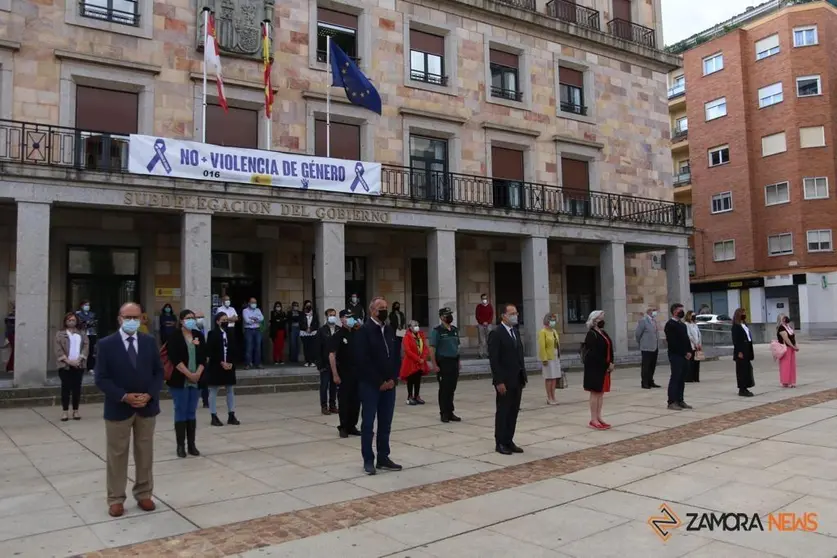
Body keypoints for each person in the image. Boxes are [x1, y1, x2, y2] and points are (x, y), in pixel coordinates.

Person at [93, 302, 163, 518]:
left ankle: (144, 493)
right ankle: (115, 498)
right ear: (119, 318)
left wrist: (149, 395)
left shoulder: (149, 342)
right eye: (128, 317)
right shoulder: (106, 344)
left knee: (145, 454)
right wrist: (124, 396)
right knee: (117, 455)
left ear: (142, 319)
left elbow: (158, 373)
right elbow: (101, 378)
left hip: (146, 407)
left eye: (136, 317)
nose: (132, 321)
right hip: (118, 407)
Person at [354, 296, 401, 475]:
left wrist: (392, 379)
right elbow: (362, 360)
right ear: (372, 310)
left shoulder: (389, 330)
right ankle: (368, 459)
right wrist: (379, 381)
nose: (384, 311)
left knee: (385, 423)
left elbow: (395, 356)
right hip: (371, 385)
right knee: (368, 423)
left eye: (385, 307)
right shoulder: (364, 331)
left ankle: (383, 456)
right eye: (381, 308)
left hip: (389, 385)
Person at [165, 309, 206, 458]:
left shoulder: (198, 335)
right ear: (181, 321)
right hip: (180, 379)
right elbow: (174, 358)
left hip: (196, 380)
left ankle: (192, 445)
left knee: (191, 411)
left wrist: (197, 374)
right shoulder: (175, 336)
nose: (191, 321)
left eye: (193, 318)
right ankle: (180, 446)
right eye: (188, 318)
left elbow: (203, 357)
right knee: (180, 410)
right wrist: (189, 374)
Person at [488, 303, 527, 455]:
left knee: (513, 411)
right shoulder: (496, 333)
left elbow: (519, 356)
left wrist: (523, 376)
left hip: (517, 379)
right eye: (512, 313)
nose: (515, 316)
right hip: (504, 381)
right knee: (503, 411)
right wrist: (498, 381)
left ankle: (509, 440)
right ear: (503, 315)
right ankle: (500, 442)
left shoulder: (515, 332)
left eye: (516, 313)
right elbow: (494, 360)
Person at [330, 310, 361, 438]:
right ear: (342, 319)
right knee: (344, 401)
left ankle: (352, 425)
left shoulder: (356, 333)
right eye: (348, 317)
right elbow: (332, 355)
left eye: (352, 317)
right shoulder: (338, 335)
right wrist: (335, 374)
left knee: (356, 401)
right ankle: (343, 426)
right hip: (344, 373)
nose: (350, 319)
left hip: (357, 373)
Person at [205, 311, 240, 426]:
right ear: (217, 321)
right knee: (214, 390)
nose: (225, 322)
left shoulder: (230, 333)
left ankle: (231, 414)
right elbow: (210, 351)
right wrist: (221, 362)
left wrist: (231, 363)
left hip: (229, 365)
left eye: (226, 320)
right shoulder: (212, 333)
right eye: (222, 320)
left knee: (230, 390)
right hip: (217, 365)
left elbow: (234, 349)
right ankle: (213, 415)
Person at [55, 312, 90, 421]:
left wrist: (79, 359)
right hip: (65, 365)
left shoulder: (81, 333)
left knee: (77, 389)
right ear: (65, 321)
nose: (71, 322)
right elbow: (58, 349)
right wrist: (68, 361)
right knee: (65, 388)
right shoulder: (60, 334)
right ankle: (65, 412)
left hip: (79, 365)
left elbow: (86, 346)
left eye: (73, 320)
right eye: (69, 320)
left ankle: (76, 411)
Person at [429, 307, 462, 423]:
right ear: (442, 317)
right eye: (447, 315)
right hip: (443, 362)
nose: (450, 317)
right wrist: (434, 364)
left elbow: (457, 347)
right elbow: (432, 348)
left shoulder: (454, 330)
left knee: (452, 388)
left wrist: (459, 362)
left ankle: (450, 411)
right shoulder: (437, 331)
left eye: (450, 314)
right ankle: (444, 413)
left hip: (453, 361)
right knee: (444, 389)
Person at [582, 310, 613, 429]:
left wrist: (611, 362)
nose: (603, 321)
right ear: (594, 321)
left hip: (604, 368)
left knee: (601, 393)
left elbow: (610, 347)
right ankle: (593, 419)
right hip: (595, 369)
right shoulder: (591, 334)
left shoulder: (603, 333)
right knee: (595, 393)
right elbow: (593, 354)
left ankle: (599, 417)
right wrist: (605, 364)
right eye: (600, 319)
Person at [664, 302, 693, 411]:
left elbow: (686, 340)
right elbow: (673, 342)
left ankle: (680, 400)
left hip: (685, 355)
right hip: (676, 355)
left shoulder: (682, 325)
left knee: (682, 378)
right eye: (680, 310)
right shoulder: (670, 325)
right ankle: (672, 401)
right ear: (675, 311)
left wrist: (689, 351)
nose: (682, 312)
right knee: (675, 377)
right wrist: (684, 352)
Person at [400, 320, 430, 405]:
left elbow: (425, 348)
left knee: (417, 379)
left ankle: (417, 396)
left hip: (420, 361)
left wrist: (423, 358)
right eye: (414, 325)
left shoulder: (421, 335)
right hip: (411, 362)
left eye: (417, 325)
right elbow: (407, 350)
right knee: (410, 379)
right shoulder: (407, 336)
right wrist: (417, 359)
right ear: (410, 327)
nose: (416, 327)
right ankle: (410, 397)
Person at [316, 308, 339, 414]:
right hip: (325, 363)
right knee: (324, 385)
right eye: (330, 315)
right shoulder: (322, 331)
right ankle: (324, 406)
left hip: (337, 364)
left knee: (334, 385)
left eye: (334, 315)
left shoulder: (339, 329)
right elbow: (317, 348)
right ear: (326, 316)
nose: (332, 317)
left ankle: (333, 405)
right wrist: (320, 364)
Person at [537, 313, 561, 405]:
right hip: (548, 357)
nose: (553, 322)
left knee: (554, 377)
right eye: (552, 320)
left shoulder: (554, 331)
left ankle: (553, 396)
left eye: (554, 320)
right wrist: (544, 359)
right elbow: (542, 346)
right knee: (549, 378)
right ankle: (549, 397)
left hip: (556, 356)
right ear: (547, 321)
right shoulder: (543, 332)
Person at [731, 307, 755, 397]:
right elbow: (735, 340)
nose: (744, 315)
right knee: (741, 370)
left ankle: (746, 386)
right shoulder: (736, 326)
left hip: (747, 348)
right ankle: (742, 388)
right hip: (741, 350)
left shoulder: (744, 325)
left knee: (747, 369)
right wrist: (739, 351)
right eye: (743, 313)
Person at [635, 307, 661, 389]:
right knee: (646, 365)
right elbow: (638, 333)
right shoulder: (643, 321)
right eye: (654, 311)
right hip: (646, 347)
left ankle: (650, 381)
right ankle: (644, 382)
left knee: (652, 365)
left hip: (655, 346)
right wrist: (641, 342)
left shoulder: (654, 321)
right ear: (649, 311)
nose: (655, 312)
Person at [75, 300, 98, 373]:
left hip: (92, 333)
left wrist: (90, 323)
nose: (87, 306)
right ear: (81, 306)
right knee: (81, 349)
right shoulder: (78, 314)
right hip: (82, 333)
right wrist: (86, 323)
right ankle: (79, 365)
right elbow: (79, 323)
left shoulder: (92, 314)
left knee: (91, 350)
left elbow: (94, 322)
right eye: (85, 305)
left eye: (88, 305)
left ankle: (91, 367)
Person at [777, 313, 799, 388]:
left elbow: (793, 337)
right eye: (783, 318)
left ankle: (792, 381)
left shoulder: (789, 327)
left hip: (791, 348)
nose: (785, 319)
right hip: (785, 348)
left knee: (792, 365)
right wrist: (793, 346)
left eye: (785, 318)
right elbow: (786, 339)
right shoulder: (781, 328)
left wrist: (795, 345)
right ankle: (785, 381)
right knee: (785, 365)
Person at [242, 297, 264, 369]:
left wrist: (253, 318)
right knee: (249, 347)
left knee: (258, 347)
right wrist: (256, 319)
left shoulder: (258, 310)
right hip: (248, 330)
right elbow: (247, 320)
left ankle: (258, 363)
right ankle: (248, 364)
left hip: (257, 330)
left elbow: (262, 318)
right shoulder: (245, 310)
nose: (254, 304)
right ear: (249, 303)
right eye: (252, 302)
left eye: (255, 302)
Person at [684, 311, 702, 383]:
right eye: (692, 315)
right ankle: (689, 377)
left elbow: (698, 334)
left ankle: (696, 377)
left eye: (695, 315)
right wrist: (695, 344)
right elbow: (689, 335)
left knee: (697, 361)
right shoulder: (686, 324)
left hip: (698, 345)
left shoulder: (695, 324)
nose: (694, 316)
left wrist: (699, 344)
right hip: (691, 345)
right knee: (691, 362)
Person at [300, 300, 319, 367]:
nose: (308, 306)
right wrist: (306, 328)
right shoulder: (302, 313)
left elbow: (316, 323)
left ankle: (312, 361)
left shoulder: (314, 313)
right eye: (307, 305)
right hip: (304, 333)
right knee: (306, 347)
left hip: (312, 332)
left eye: (309, 305)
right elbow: (301, 323)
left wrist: (311, 328)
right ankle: (307, 361)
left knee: (312, 347)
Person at [389, 302, 406, 371]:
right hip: (394, 331)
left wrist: (401, 326)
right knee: (394, 347)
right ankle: (395, 363)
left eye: (398, 306)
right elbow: (392, 321)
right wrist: (397, 326)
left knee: (399, 347)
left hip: (400, 331)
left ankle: (399, 363)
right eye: (396, 306)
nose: (397, 307)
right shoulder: (391, 314)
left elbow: (403, 320)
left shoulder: (401, 313)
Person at [475, 294, 494, 359]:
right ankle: (480, 354)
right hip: (481, 325)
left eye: (485, 298)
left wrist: (487, 322)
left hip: (489, 325)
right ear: (481, 299)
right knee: (481, 340)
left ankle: (488, 354)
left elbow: (491, 315)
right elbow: (477, 316)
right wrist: (482, 322)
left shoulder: (490, 306)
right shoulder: (479, 306)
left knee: (489, 339)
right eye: (483, 298)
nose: (484, 300)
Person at [5, 303, 14, 372]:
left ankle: (10, 367)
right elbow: (9, 327)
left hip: (11, 334)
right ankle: (10, 367)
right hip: (12, 334)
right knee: (14, 350)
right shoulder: (11, 316)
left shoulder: (10, 316)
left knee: (14, 351)